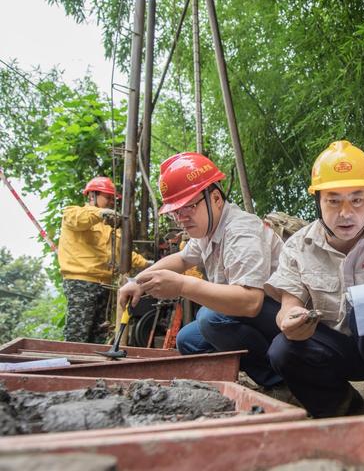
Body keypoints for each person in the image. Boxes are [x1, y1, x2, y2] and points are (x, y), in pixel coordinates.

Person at [265, 141, 364, 426]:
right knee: (280, 349)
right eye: (333, 200)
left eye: (357, 199)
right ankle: (338, 400)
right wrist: (289, 321)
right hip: (335, 348)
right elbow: (288, 305)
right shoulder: (297, 247)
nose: (346, 212)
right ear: (318, 201)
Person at [119, 152, 285, 391]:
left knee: (211, 318)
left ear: (216, 199)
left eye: (188, 207)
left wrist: (182, 286)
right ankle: (245, 382)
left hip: (284, 316)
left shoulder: (241, 230)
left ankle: (281, 383)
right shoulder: (208, 229)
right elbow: (183, 258)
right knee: (188, 340)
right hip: (259, 319)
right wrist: (139, 281)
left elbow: (250, 302)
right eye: (176, 211)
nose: (181, 218)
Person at [59, 176, 150, 344]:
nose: (110, 202)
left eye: (112, 199)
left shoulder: (109, 225)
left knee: (99, 333)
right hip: (82, 282)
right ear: (92, 195)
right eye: (107, 197)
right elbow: (80, 219)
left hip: (105, 284)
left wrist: (148, 264)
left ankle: (91, 367)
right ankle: (70, 365)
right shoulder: (74, 213)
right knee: (78, 332)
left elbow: (123, 254)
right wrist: (101, 213)